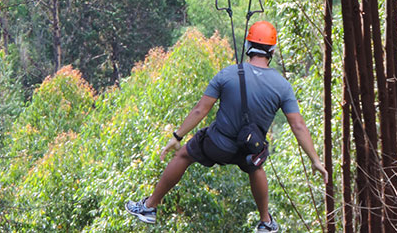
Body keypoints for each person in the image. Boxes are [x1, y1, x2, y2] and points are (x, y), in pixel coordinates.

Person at [125, 20, 328, 233]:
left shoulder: (227, 74)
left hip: (217, 144)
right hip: (249, 151)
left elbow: (200, 110)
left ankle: (149, 206)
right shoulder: (282, 86)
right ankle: (266, 222)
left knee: (184, 155)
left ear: (248, 45)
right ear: (272, 50)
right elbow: (298, 125)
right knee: (256, 166)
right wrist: (314, 160)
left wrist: (177, 136)